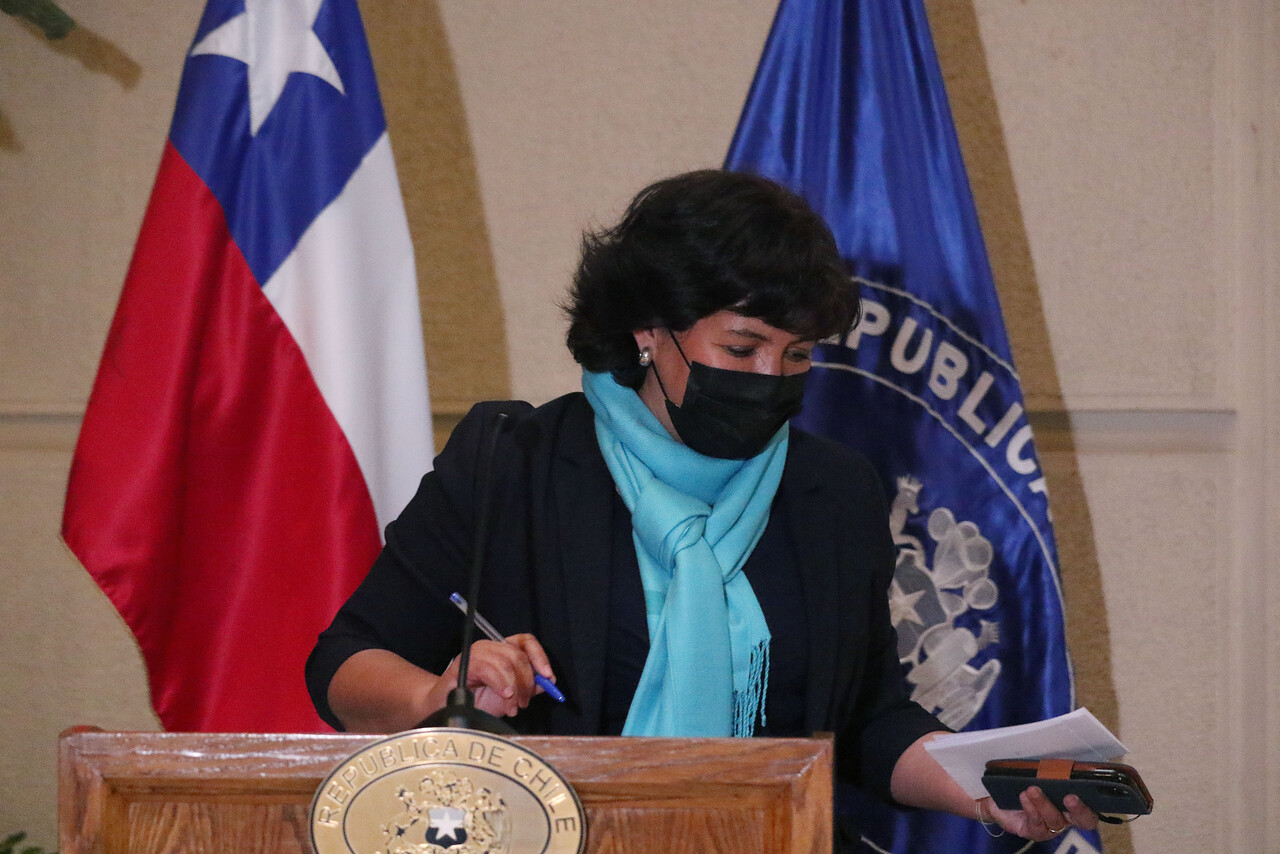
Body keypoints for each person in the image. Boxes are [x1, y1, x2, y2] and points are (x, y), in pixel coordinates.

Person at [305, 169, 1097, 846]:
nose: (771, 378)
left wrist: (984, 793)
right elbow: (343, 661)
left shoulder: (833, 491)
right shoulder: (516, 460)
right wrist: (435, 694)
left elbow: (865, 725)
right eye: (743, 348)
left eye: (797, 355)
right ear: (651, 330)